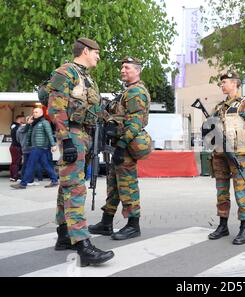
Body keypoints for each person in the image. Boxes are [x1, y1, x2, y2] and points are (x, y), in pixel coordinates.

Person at [46, 37, 114, 266]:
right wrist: (66, 140)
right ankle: (82, 245)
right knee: (75, 188)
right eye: (96, 52)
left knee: (67, 185)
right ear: (86, 50)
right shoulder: (66, 73)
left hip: (84, 134)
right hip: (72, 134)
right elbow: (56, 107)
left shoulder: (86, 78)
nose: (98, 56)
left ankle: (64, 234)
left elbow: (92, 110)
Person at [89, 57, 152, 241]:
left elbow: (135, 123)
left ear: (137, 71)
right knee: (114, 185)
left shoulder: (136, 92)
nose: (123, 70)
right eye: (122, 67)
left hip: (125, 146)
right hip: (118, 144)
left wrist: (122, 146)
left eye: (127, 67)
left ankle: (134, 225)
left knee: (127, 184)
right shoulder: (126, 92)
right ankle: (106, 222)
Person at [207, 71, 245, 245]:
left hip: (240, 155)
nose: (222, 85)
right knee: (221, 191)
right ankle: (223, 225)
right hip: (220, 154)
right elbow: (210, 130)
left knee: (240, 191)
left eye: (224, 82)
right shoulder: (219, 107)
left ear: (234, 84)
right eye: (221, 83)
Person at [11, 108, 58, 189]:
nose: (34, 113)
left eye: (36, 112)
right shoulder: (34, 123)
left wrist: (53, 145)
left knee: (30, 164)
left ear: (41, 113)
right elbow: (24, 131)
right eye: (33, 112)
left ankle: (23, 183)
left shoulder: (44, 122)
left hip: (39, 147)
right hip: (35, 146)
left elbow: (49, 134)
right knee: (45, 164)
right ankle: (54, 180)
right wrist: (28, 123)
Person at [9, 115, 25, 182]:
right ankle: (15, 177)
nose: (24, 121)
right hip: (16, 146)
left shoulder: (13, 126)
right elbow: (19, 137)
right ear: (20, 119)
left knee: (14, 162)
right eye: (23, 119)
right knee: (16, 162)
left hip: (13, 146)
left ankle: (12, 176)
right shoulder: (18, 127)